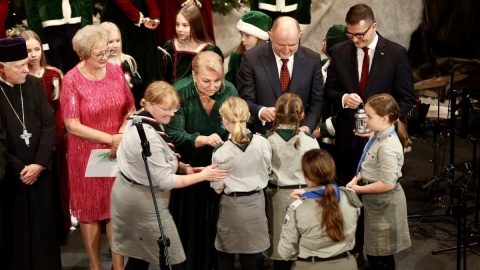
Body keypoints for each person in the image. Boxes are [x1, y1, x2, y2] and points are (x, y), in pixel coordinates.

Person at [324, 4, 415, 264]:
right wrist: (343, 98)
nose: (354, 40)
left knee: (377, 203)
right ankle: (354, 252)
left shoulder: (396, 53)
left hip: (380, 142)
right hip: (348, 141)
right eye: (350, 35)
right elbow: (328, 91)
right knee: (350, 201)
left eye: (359, 35)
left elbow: (406, 98)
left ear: (373, 26)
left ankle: (380, 255)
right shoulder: (340, 51)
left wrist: (383, 125)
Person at [111, 81, 230, 270]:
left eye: (174, 109)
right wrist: (204, 175)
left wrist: (186, 168)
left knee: (140, 258)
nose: (172, 114)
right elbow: (166, 180)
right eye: (166, 109)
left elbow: (156, 162)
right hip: (142, 201)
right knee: (173, 259)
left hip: (132, 195)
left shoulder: (142, 120)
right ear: (148, 104)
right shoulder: (147, 136)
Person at [60, 25, 135, 270]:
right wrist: (109, 138)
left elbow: (130, 109)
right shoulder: (71, 80)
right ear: (82, 55)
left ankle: (118, 265)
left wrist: (120, 134)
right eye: (99, 54)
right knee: (90, 210)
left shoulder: (115, 71)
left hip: (116, 149)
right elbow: (72, 125)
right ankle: (94, 265)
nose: (106, 57)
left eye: (107, 51)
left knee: (116, 208)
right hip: (86, 154)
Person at [164, 51, 238, 270]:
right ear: (194, 76)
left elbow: (236, 126)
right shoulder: (179, 91)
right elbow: (174, 134)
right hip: (190, 169)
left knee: (216, 222)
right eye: (206, 81)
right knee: (189, 224)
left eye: (217, 80)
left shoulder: (230, 90)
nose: (213, 86)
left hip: (220, 169)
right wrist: (201, 139)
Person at [0, 37, 61, 269]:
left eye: (26, 62)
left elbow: (48, 124)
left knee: (43, 229)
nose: (27, 69)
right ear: (1, 68)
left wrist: (39, 164)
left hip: (39, 171)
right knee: (16, 232)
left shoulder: (33, 84)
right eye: (19, 66)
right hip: (12, 175)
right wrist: (20, 168)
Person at [347, 93, 411, 269]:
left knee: (380, 253)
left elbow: (388, 183)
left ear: (384, 119)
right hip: (375, 203)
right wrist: (357, 178)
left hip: (384, 206)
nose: (365, 120)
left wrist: (358, 190)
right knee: (375, 249)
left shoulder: (388, 146)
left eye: (369, 116)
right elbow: (369, 162)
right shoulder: (377, 135)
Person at [211, 96, 272, 269]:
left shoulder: (220, 152)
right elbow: (268, 170)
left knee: (226, 254)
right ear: (247, 117)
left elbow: (217, 189)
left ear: (224, 120)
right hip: (256, 205)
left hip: (233, 208)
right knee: (252, 256)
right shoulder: (263, 143)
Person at [20, 29, 71, 239]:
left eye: (36, 49)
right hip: (28, 140)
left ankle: (62, 229)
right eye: (28, 50)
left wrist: (55, 138)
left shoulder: (53, 74)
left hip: (54, 139)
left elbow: (60, 109)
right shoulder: (19, 77)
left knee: (59, 183)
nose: (33, 55)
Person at [237, 16, 323, 134]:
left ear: (300, 36)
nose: (286, 50)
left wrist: (308, 127)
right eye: (281, 44)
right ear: (270, 35)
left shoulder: (312, 60)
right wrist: (260, 111)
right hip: (264, 136)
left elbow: (317, 102)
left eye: (292, 44)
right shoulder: (252, 59)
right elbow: (245, 99)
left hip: (299, 136)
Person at [277, 149, 360, 270]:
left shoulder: (296, 208)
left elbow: (286, 252)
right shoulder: (350, 198)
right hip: (346, 264)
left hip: (311, 265)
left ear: (307, 177)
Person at [264, 93, 320, 269]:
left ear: (276, 114)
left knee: (281, 248)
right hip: (305, 198)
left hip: (277, 198)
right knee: (302, 247)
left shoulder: (267, 141)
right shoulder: (310, 142)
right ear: (301, 115)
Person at [102, 0, 163, 105]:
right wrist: (135, 14)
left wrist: (154, 14)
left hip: (142, 19)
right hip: (120, 16)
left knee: (144, 65)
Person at [24, 0, 92, 73]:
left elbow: (86, 3)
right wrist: (40, 37)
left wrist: (86, 27)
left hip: (74, 23)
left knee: (73, 69)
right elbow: (30, 6)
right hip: (49, 26)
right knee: (51, 70)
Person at [164, 5, 223, 83]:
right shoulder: (171, 46)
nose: (179, 29)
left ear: (196, 26)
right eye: (177, 24)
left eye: (185, 25)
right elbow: (166, 76)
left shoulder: (208, 50)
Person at [100, 21, 143, 106]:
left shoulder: (127, 62)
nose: (115, 45)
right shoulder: (96, 66)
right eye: (110, 42)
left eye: (118, 41)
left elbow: (137, 91)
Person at [225, 11, 272, 88]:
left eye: (247, 35)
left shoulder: (271, 56)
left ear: (260, 37)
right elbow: (230, 84)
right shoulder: (236, 55)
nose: (243, 39)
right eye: (242, 34)